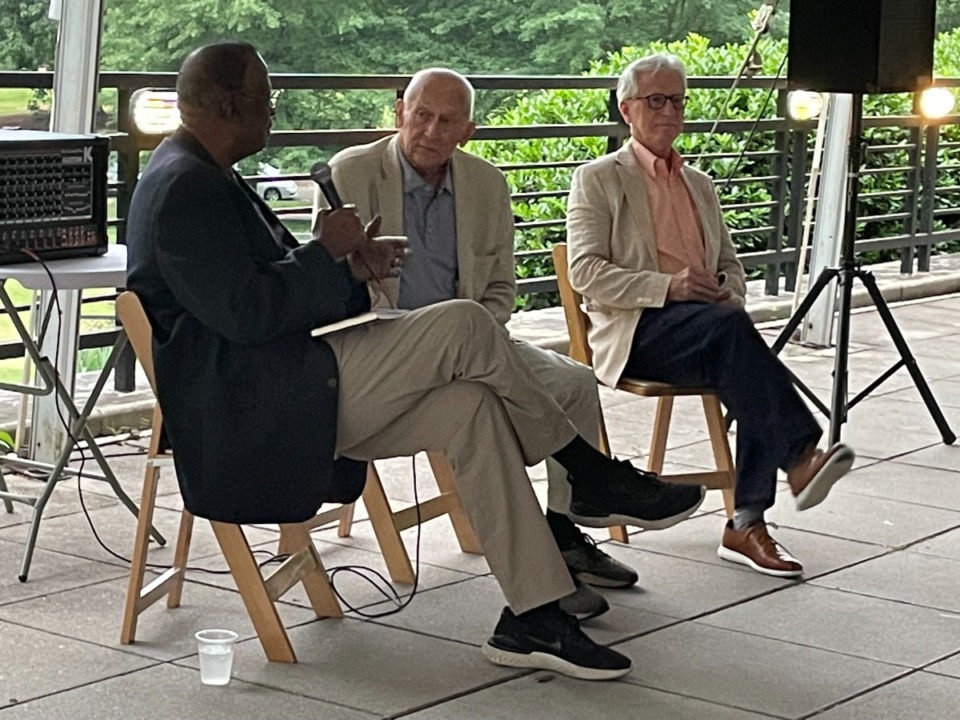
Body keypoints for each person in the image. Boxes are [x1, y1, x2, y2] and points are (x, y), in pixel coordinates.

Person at [125, 41, 703, 680]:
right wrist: (327, 252)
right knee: (464, 323)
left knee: (472, 408)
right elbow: (250, 313)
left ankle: (532, 615)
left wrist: (351, 267)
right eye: (267, 98)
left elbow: (264, 295)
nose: (271, 111)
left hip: (291, 378)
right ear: (234, 104)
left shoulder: (203, 174)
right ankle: (590, 471)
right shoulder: (185, 186)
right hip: (262, 403)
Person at [320, 68, 642, 621]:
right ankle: (595, 476)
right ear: (399, 112)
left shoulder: (486, 184)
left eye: (447, 121)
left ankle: (563, 530)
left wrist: (479, 337)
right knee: (472, 356)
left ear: (467, 131)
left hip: (472, 339)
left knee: (574, 380)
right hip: (385, 348)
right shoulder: (351, 172)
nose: (429, 130)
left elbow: (500, 289)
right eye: (420, 115)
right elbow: (328, 283)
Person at [565, 53, 857, 578]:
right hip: (639, 330)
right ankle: (792, 464)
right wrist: (668, 287)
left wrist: (727, 294)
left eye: (677, 100)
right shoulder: (599, 179)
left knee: (738, 351)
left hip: (708, 330)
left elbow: (731, 267)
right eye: (656, 100)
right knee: (739, 345)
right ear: (626, 108)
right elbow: (585, 272)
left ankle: (748, 520)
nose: (670, 112)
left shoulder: (699, 183)